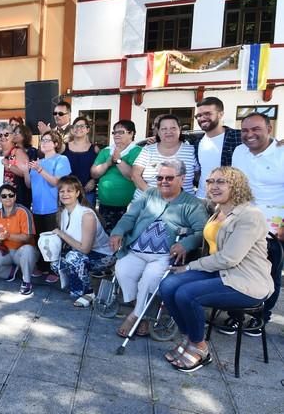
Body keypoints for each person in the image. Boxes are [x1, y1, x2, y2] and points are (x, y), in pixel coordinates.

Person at [159, 167, 273, 373]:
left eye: (221, 182)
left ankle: (200, 348)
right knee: (168, 285)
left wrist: (190, 266)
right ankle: (190, 338)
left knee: (186, 294)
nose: (213, 186)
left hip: (244, 281)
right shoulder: (217, 210)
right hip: (218, 272)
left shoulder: (250, 215)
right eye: (210, 181)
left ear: (236, 186)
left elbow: (230, 258)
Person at [110, 160, 207, 337]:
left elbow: (202, 232)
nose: (163, 181)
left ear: (182, 178)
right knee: (122, 271)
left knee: (150, 278)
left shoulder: (192, 204)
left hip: (164, 255)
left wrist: (186, 244)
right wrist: (118, 232)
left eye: (169, 178)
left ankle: (135, 316)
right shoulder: (149, 194)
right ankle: (142, 311)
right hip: (136, 249)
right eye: (160, 177)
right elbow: (130, 216)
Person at [232, 112, 284, 335]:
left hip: (273, 227)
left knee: (269, 274)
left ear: (269, 129)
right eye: (245, 130)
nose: (249, 134)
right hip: (241, 222)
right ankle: (235, 315)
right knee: (237, 269)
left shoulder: (281, 153)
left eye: (256, 129)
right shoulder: (239, 151)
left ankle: (261, 316)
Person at [49, 176, 113, 306]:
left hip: (103, 255)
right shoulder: (62, 212)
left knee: (73, 257)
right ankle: (77, 282)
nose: (65, 194)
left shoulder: (87, 215)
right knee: (55, 263)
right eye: (62, 191)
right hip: (82, 252)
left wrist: (61, 234)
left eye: (69, 191)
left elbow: (85, 249)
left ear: (77, 193)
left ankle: (88, 293)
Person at [23, 130, 71, 280]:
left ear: (56, 144)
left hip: (54, 207)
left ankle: (54, 271)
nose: (43, 143)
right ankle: (42, 267)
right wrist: (26, 171)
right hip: (37, 208)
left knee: (53, 241)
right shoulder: (38, 162)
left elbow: (58, 182)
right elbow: (29, 185)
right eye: (42, 140)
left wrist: (39, 170)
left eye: (47, 140)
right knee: (40, 240)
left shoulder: (61, 159)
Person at [0, 184, 38, 295]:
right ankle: (10, 272)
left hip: (22, 252)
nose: (8, 198)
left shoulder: (23, 212)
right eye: (4, 196)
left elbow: (28, 237)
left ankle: (26, 282)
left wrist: (8, 236)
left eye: (11, 195)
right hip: (6, 251)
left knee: (28, 250)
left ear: (15, 197)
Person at [91, 120, 143, 232]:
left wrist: (118, 160)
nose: (117, 135)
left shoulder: (137, 151)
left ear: (131, 133)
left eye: (121, 132)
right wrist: (108, 163)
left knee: (124, 237)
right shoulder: (106, 151)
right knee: (106, 238)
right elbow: (94, 173)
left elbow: (132, 176)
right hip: (105, 206)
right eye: (114, 132)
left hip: (128, 207)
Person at [132, 114, 197, 199]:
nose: (168, 132)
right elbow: (135, 175)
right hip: (147, 203)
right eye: (164, 129)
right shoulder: (148, 150)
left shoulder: (192, 150)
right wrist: (154, 196)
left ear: (180, 129)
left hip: (182, 205)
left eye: (173, 128)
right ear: (158, 132)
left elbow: (200, 176)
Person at [193, 97, 241, 199]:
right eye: (199, 115)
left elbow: (261, 141)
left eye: (207, 114)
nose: (202, 118)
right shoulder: (197, 142)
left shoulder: (238, 137)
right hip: (202, 198)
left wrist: (278, 143)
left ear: (220, 114)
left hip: (228, 200)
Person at [63, 117, 99, 206]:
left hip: (88, 192)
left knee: (86, 218)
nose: (78, 128)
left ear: (88, 129)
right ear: (72, 129)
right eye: (76, 126)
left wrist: (94, 181)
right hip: (67, 192)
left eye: (82, 126)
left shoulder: (94, 149)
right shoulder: (64, 147)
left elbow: (100, 169)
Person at [0, 125, 30, 207]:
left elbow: (25, 173)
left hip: (18, 198)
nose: (3, 137)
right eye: (0, 135)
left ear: (12, 136)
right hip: (2, 199)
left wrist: (9, 165)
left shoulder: (18, 152)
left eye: (6, 134)